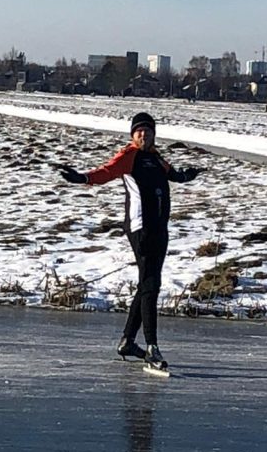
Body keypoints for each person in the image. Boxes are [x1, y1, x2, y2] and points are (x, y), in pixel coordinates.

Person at [59, 111, 202, 368]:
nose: (143, 134)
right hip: (141, 228)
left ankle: (127, 341)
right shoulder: (129, 156)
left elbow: (172, 174)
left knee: (150, 284)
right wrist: (82, 178)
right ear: (133, 135)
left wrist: (186, 176)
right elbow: (106, 172)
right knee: (150, 283)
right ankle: (152, 347)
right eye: (139, 131)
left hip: (160, 228)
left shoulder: (156, 158)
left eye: (148, 131)